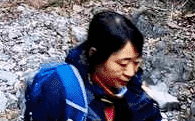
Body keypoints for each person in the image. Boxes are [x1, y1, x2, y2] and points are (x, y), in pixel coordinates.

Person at [23, 11, 161, 121]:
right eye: (122, 63)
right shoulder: (59, 88)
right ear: (94, 54)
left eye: (136, 62)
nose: (131, 72)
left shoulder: (135, 93)